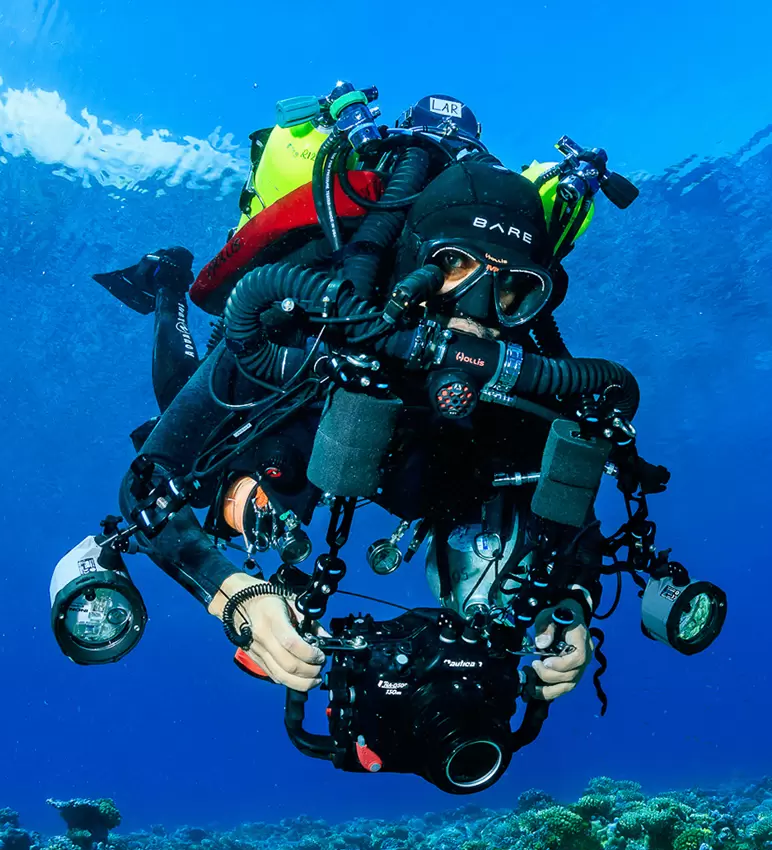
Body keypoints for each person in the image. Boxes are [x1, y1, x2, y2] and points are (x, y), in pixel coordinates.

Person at [104, 115, 598, 702]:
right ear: (414, 259)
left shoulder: (519, 369)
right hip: (305, 403)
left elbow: (568, 503)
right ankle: (168, 286)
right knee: (184, 414)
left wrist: (571, 602)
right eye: (454, 265)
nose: (479, 309)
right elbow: (147, 484)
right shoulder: (309, 321)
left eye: (513, 287)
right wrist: (233, 592)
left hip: (418, 459)